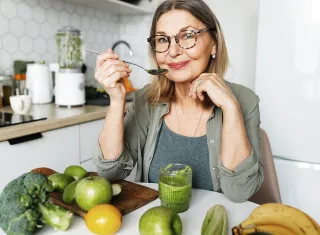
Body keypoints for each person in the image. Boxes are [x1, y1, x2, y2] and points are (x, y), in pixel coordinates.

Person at [93, 0, 264, 202]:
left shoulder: (244, 100)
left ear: (214, 44)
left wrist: (230, 108)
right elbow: (110, 173)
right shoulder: (145, 100)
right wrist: (116, 99)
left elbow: (240, 192)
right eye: (163, 40)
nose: (173, 51)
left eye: (188, 36)